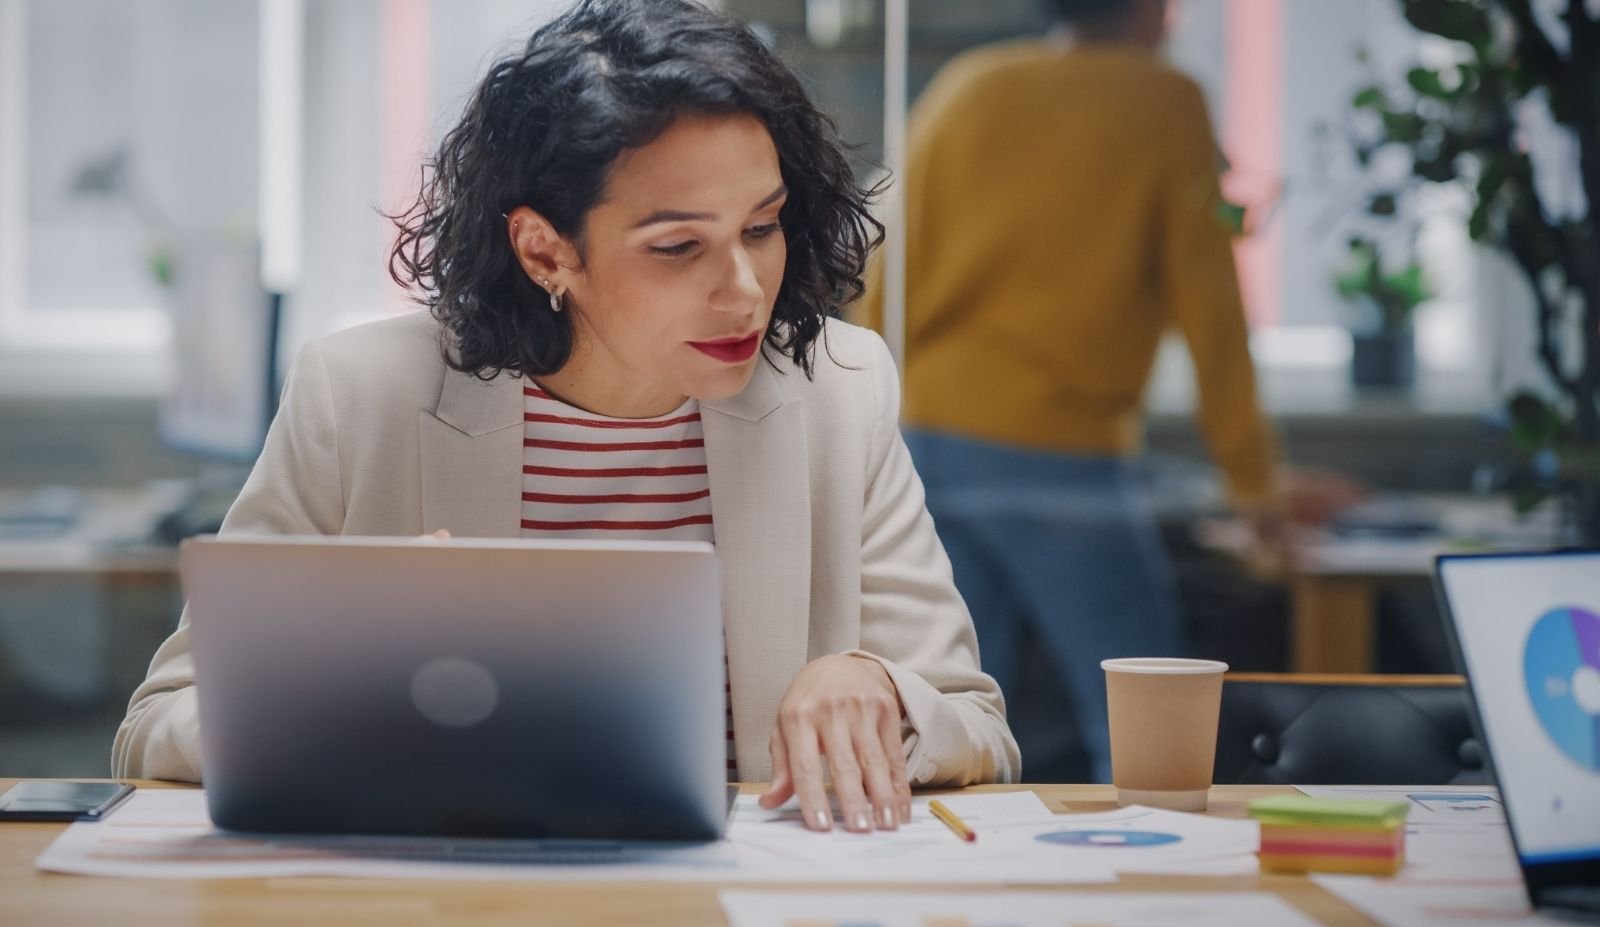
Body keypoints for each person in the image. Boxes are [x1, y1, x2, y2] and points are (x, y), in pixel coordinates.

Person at [113, 0, 1019, 832]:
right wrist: (339, 675)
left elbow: (976, 723)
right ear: (546, 250)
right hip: (446, 904)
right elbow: (156, 727)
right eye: (678, 246)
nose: (744, 290)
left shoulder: (841, 389)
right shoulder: (358, 398)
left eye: (761, 227)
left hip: (742, 918)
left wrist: (877, 687)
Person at [853, 0, 1279, 781]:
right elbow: (1211, 304)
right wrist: (1254, 482)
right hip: (1065, 459)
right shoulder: (1163, 99)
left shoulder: (972, 85)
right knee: (1151, 736)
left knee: (963, 721)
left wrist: (875, 418)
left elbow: (887, 263)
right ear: (1152, 9)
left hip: (933, 442)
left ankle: (972, 893)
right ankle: (1166, 891)